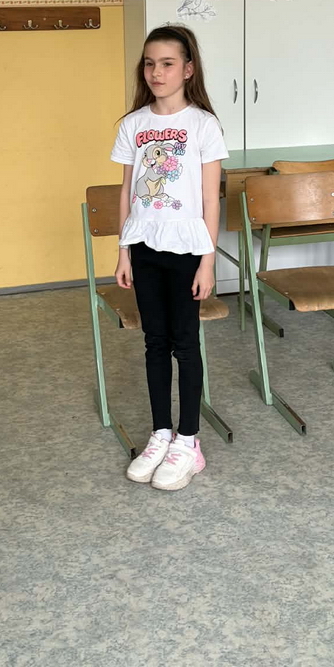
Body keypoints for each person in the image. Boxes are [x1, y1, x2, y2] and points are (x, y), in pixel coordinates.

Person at [111, 25, 226, 491]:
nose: (156, 72)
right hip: (144, 245)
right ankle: (161, 433)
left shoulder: (203, 125)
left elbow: (211, 199)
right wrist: (123, 250)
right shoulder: (133, 125)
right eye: (149, 63)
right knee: (154, 342)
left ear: (188, 69)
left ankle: (189, 442)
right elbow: (127, 191)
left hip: (186, 249)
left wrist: (207, 261)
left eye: (167, 63)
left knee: (185, 343)